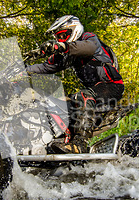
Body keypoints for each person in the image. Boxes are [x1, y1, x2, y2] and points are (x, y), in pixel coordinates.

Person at [26, 15, 124, 153]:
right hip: (93, 90)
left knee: (82, 96)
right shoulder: (68, 53)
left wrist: (60, 46)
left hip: (111, 85)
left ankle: (80, 143)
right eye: (58, 38)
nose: (60, 40)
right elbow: (47, 67)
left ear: (74, 29)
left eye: (63, 35)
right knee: (59, 105)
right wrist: (23, 70)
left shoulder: (88, 38)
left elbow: (88, 48)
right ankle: (63, 142)